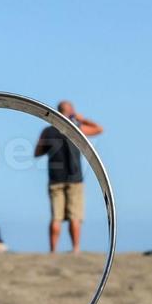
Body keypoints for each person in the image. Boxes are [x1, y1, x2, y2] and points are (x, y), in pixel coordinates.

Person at [34, 101, 103, 254]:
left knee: (56, 217)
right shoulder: (76, 129)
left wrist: (50, 148)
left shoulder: (48, 131)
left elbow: (37, 152)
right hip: (75, 178)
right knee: (75, 216)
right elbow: (99, 129)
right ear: (71, 111)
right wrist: (82, 119)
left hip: (55, 178)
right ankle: (76, 248)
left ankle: (53, 250)